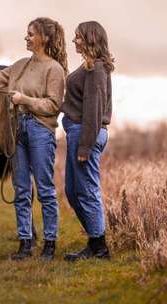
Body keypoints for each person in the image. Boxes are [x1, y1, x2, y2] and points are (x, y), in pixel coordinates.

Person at [0, 17, 67, 261]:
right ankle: (25, 243)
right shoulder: (19, 65)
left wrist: (24, 100)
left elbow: (54, 105)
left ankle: (49, 244)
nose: (26, 37)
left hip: (40, 131)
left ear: (44, 39)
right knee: (21, 189)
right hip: (16, 130)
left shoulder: (54, 69)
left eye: (30, 34)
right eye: (26, 33)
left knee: (45, 190)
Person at [61, 20, 114, 261]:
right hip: (79, 132)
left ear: (91, 39)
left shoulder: (96, 69)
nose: (74, 41)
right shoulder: (89, 67)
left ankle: (99, 247)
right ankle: (95, 240)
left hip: (86, 133)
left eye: (78, 37)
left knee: (87, 190)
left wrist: (85, 145)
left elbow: (93, 110)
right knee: (72, 191)